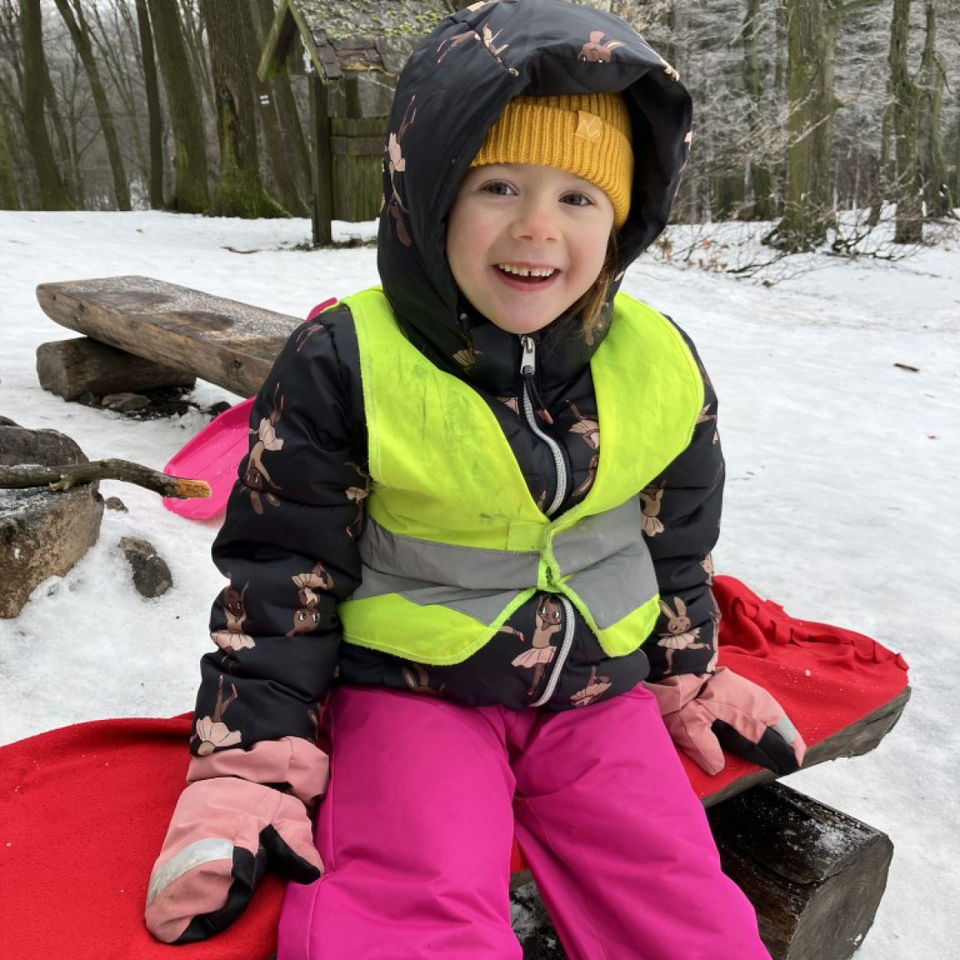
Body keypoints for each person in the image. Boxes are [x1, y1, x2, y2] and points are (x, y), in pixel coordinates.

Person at [145, 1, 805, 957]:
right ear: (430, 198)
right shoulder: (348, 358)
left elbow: (678, 537)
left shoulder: (657, 360)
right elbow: (282, 572)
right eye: (498, 186)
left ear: (623, 220)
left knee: (681, 904)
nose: (537, 227)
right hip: (411, 693)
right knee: (412, 903)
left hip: (599, 693)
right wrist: (249, 764)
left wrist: (686, 669)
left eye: (578, 198)